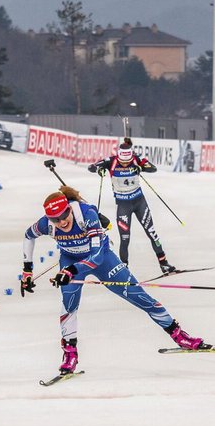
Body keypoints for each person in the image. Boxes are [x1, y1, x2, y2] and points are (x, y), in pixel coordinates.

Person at [21, 186, 204, 375]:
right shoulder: (45, 224)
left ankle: (179, 335)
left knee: (137, 295)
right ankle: (70, 354)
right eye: (55, 219)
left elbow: (97, 256)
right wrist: (27, 271)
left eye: (63, 215)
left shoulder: (87, 215)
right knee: (69, 305)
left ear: (69, 208)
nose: (60, 222)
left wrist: (71, 270)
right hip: (70, 261)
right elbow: (28, 236)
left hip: (101, 259)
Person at [87, 139, 175, 273]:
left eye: (127, 161)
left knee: (152, 233)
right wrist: (99, 169)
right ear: (119, 156)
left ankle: (164, 263)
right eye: (122, 161)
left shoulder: (136, 159)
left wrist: (140, 167)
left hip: (139, 202)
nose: (125, 164)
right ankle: (124, 269)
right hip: (123, 205)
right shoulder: (110, 161)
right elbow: (91, 167)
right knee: (125, 238)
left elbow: (153, 168)